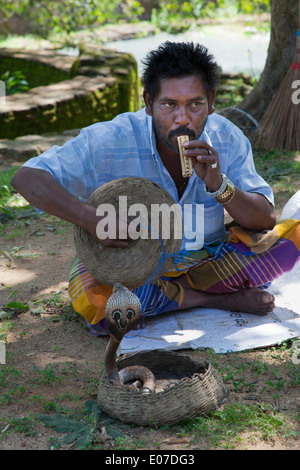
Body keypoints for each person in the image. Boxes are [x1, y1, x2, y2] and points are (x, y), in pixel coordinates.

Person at [11, 41, 300, 336]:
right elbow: (27, 177)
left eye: (195, 104)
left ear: (211, 101)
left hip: (207, 260)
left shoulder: (227, 138)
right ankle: (221, 299)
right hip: (134, 267)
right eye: (169, 105)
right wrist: (91, 219)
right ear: (148, 103)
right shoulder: (112, 138)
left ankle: (172, 297)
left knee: (290, 243)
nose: (182, 118)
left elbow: (264, 220)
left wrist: (218, 184)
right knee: (96, 297)